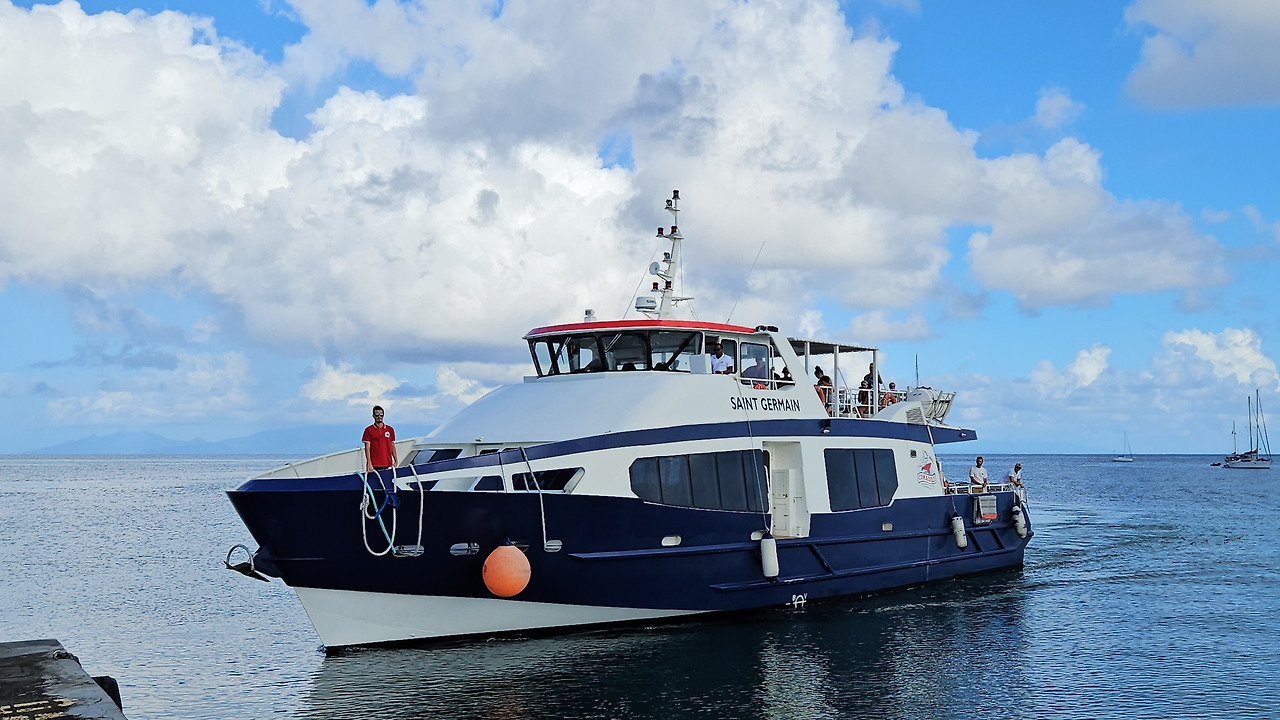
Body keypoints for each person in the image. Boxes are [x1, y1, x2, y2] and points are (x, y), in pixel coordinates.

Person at [362, 405, 397, 476]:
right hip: (374, 464)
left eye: (381, 415)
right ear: (373, 416)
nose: (379, 417)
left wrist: (396, 460)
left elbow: (392, 445)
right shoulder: (368, 430)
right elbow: (367, 448)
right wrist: (369, 463)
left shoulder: (390, 429)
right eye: (377, 415)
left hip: (387, 463)